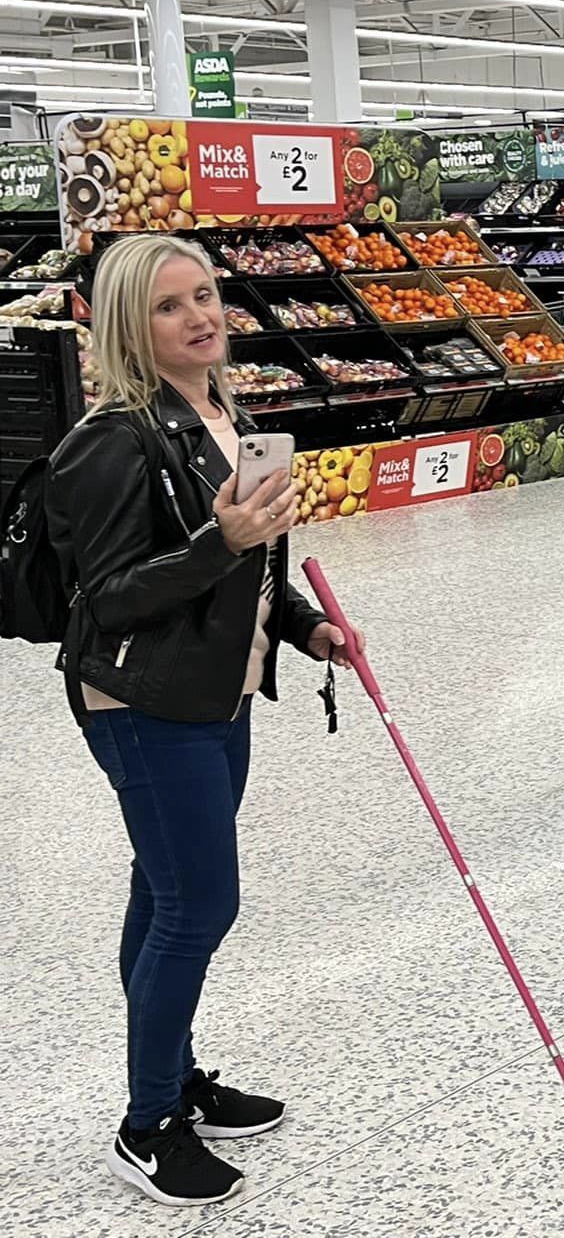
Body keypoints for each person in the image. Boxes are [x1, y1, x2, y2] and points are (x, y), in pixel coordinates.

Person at [45, 233, 362, 1208]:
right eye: (170, 305)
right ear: (135, 330)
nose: (200, 316)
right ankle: (147, 1126)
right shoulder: (112, 437)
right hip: (143, 702)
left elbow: (260, 561)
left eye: (205, 295)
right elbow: (104, 598)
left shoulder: (227, 414)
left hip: (219, 691)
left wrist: (305, 629)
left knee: (166, 892)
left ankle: (175, 1076)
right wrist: (212, 541)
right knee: (197, 905)